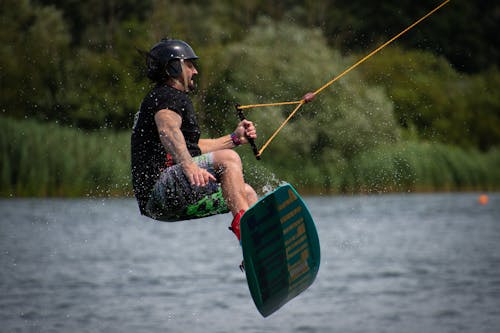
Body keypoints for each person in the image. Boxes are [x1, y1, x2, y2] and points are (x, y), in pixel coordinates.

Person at [131, 38, 258, 241]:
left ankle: (255, 251)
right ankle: (245, 231)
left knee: (246, 194)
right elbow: (168, 130)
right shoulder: (167, 96)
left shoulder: (163, 97)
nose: (195, 71)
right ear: (174, 68)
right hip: (159, 190)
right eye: (189, 65)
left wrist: (234, 138)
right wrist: (189, 166)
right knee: (229, 160)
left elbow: (189, 147)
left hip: (160, 205)